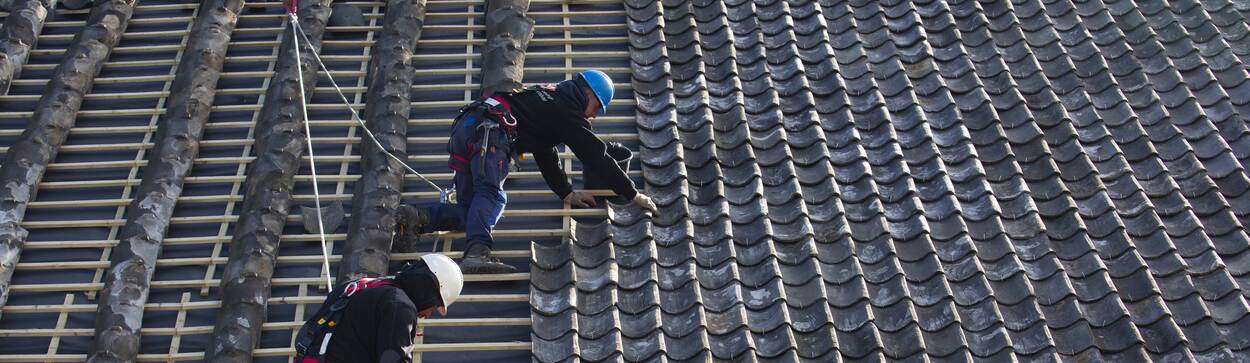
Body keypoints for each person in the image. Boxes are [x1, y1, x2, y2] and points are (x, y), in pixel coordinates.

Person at [395, 70, 658, 274]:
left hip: (467, 127)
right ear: (588, 94)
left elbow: (545, 151)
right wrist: (632, 194)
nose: (594, 116)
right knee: (492, 196)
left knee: (471, 211)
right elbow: (595, 154)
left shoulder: (550, 98)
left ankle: (418, 218)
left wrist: (566, 192)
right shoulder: (567, 110)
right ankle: (477, 254)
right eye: (597, 108)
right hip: (490, 134)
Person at [294, 254, 464, 363]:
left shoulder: (357, 286)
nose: (428, 314)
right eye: (434, 305)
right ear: (428, 291)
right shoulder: (400, 306)